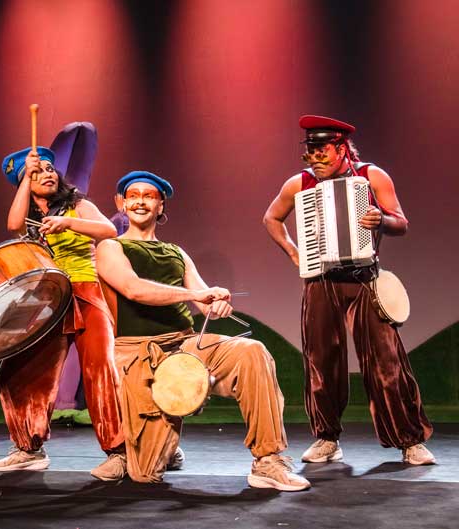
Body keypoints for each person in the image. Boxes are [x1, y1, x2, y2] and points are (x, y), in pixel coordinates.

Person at [97, 171, 310, 491]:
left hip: (185, 345)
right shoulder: (110, 247)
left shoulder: (176, 252)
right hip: (139, 354)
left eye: (149, 196)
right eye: (133, 195)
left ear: (160, 205)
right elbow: (133, 289)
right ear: (122, 204)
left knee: (252, 352)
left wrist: (216, 302)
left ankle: (268, 460)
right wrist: (195, 294)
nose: (140, 201)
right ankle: (162, 447)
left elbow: (203, 301)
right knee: (145, 474)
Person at [263, 115, 434, 465]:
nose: (315, 159)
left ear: (341, 148)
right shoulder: (300, 184)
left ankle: (410, 440)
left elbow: (400, 222)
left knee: (386, 362)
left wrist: (381, 220)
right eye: (310, 153)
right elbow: (271, 218)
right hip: (321, 280)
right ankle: (327, 438)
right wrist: (295, 253)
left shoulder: (372, 176)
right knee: (321, 361)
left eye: (322, 151)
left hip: (364, 278)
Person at [0, 146, 126, 480]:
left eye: (50, 168)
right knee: (18, 373)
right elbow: (12, 225)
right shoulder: (29, 218)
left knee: (100, 371)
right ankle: (29, 448)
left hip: (86, 290)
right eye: (38, 172)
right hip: (50, 299)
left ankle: (120, 452)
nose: (48, 174)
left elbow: (109, 230)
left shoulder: (77, 205)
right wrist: (26, 177)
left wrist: (68, 222)